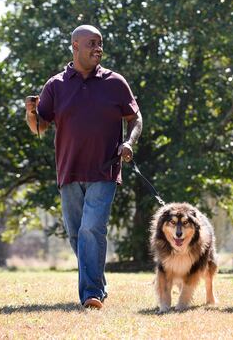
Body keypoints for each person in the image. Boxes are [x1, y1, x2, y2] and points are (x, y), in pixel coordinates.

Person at [24, 25, 142, 309]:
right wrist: (30, 112)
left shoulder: (115, 82)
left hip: (105, 169)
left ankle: (91, 293)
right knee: (77, 233)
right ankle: (97, 281)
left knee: (91, 229)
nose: (98, 48)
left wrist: (129, 143)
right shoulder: (56, 85)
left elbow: (135, 118)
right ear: (75, 47)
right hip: (69, 171)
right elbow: (39, 125)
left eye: (100, 43)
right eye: (91, 43)